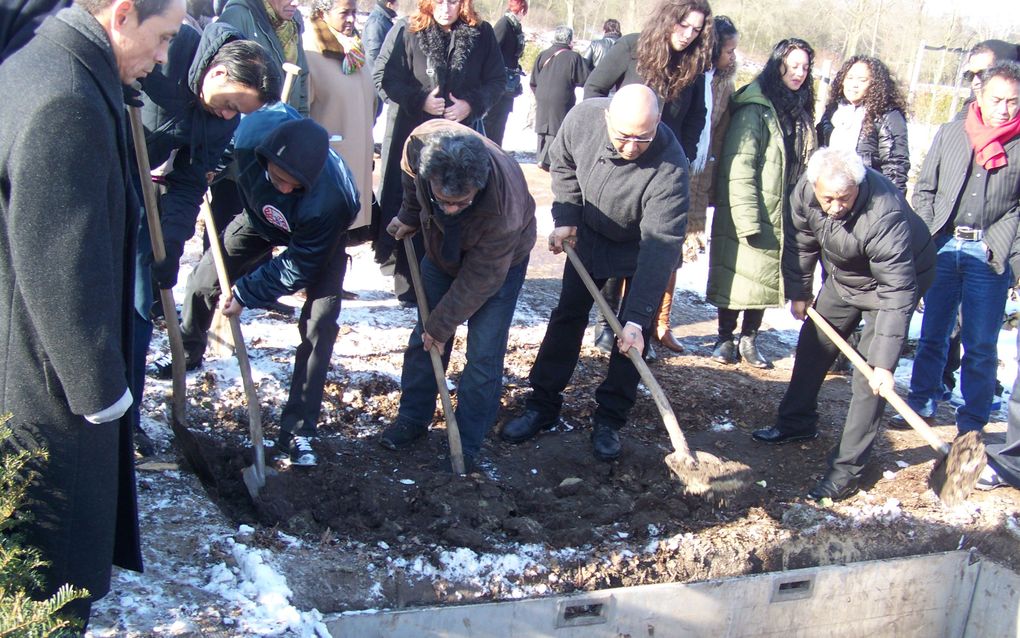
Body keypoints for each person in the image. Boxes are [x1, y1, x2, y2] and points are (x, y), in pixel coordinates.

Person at [0, 0, 186, 624]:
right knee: (53, 581)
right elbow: (61, 266)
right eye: (162, 38)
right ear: (122, 15)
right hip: (47, 396)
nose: (163, 58)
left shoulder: (41, 60)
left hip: (25, 360)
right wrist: (102, 394)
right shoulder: (66, 104)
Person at [500, 85, 688, 462]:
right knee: (568, 315)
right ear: (607, 119)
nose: (632, 146)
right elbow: (564, 163)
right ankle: (542, 404)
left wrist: (637, 318)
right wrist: (567, 218)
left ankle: (609, 419)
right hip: (590, 233)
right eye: (623, 136)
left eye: (643, 138)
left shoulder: (670, 166)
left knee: (632, 335)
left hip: (640, 245)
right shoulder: (583, 119)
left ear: (658, 125)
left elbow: (659, 246)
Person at [175, 106, 359, 466]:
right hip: (259, 220)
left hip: (320, 241)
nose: (287, 187)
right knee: (202, 280)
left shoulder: (332, 201)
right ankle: (187, 351)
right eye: (279, 177)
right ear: (265, 158)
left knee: (319, 326)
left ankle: (299, 430)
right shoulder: (251, 135)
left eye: (296, 185)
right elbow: (220, 145)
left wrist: (246, 293)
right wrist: (208, 168)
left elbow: (299, 266)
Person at [750, 148, 936, 501]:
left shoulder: (884, 215)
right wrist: (800, 291)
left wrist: (884, 363)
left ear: (858, 187)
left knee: (868, 380)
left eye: (844, 199)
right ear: (814, 187)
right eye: (828, 199)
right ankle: (796, 423)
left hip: (892, 287)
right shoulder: (805, 193)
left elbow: (897, 291)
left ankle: (848, 470)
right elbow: (802, 243)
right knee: (814, 345)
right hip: (845, 277)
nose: (835, 208)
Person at [137, 22, 278, 463]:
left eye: (241, 112)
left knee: (141, 304)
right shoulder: (166, 50)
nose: (229, 116)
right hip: (107, 174)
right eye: (231, 105)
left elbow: (190, 181)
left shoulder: (222, 119)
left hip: (153, 188)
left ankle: (126, 414)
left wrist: (172, 244)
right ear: (216, 75)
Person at [378, 120, 536, 466]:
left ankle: (466, 443)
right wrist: (411, 212)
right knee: (424, 338)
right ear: (430, 176)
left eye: (460, 203)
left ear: (477, 188)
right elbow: (408, 175)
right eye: (443, 200)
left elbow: (480, 278)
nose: (449, 209)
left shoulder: (502, 212)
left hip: (500, 264)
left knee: (483, 354)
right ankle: (412, 419)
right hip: (440, 251)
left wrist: (442, 324)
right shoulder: (419, 144)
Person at [583, 0, 711, 357]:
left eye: (696, 31)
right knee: (614, 242)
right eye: (683, 25)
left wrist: (681, 158)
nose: (687, 36)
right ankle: (606, 324)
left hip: (662, 172)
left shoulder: (693, 68)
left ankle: (638, 327)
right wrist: (604, 139)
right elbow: (593, 90)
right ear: (668, 19)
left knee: (653, 251)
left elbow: (696, 116)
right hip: (620, 162)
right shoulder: (630, 48)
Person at [899, 61, 1020, 436]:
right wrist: (927, 236)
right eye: (997, 99)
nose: (1004, 109)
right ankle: (922, 402)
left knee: (981, 343)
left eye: (1013, 102)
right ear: (980, 95)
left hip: (990, 251)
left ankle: (973, 419)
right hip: (945, 245)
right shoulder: (952, 133)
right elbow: (925, 189)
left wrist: (1009, 252)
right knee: (934, 332)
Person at [372, 0, 504, 307]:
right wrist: (419, 100)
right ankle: (407, 280)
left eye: (454, 1)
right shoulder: (407, 30)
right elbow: (385, 78)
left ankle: (449, 273)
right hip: (412, 131)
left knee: (454, 202)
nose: (446, 7)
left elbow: (496, 81)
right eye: (440, 0)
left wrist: (471, 104)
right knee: (412, 201)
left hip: (461, 136)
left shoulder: (481, 34)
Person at [706, 38, 818, 368]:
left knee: (764, 275)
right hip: (752, 203)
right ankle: (725, 337)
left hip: (783, 205)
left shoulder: (801, 109)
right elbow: (738, 163)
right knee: (736, 271)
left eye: (805, 67)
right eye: (793, 65)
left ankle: (750, 338)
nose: (799, 73)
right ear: (778, 64)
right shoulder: (756, 107)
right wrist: (747, 215)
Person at [212, 0, 309, 268]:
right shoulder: (240, 15)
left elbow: (301, 86)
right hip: (240, 145)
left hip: (275, 147)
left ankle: (256, 283)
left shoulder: (293, 24)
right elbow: (224, 83)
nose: (296, 2)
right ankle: (219, 284)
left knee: (263, 215)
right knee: (230, 217)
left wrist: (300, 128)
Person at [304, 0, 375, 236]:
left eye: (354, 12)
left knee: (344, 237)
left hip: (356, 160)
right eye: (344, 13)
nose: (352, 19)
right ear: (323, 12)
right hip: (329, 166)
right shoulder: (310, 52)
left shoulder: (355, 49)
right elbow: (300, 114)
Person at [684, 14, 737, 257]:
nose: (733, 57)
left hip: (702, 174)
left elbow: (718, 136)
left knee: (681, 253)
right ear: (713, 49)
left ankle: (666, 297)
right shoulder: (688, 75)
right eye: (729, 51)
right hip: (680, 164)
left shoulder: (726, 86)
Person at [818, 56, 909, 193]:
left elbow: (895, 167)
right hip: (831, 192)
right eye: (849, 78)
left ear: (875, 84)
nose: (854, 84)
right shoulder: (833, 110)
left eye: (862, 80)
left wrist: (891, 204)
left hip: (868, 194)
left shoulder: (887, 115)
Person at [531, 26, 589, 170]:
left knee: (543, 127)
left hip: (541, 95)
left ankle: (540, 157)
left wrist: (539, 94)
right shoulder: (574, 57)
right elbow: (584, 79)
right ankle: (546, 160)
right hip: (561, 97)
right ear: (569, 40)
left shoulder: (543, 54)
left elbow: (533, 80)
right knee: (556, 127)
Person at [481, 0, 527, 147]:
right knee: (493, 121)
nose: (524, 16)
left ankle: (495, 152)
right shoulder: (504, 24)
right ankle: (490, 153)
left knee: (500, 121)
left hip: (508, 84)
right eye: (524, 12)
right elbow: (491, 51)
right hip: (499, 83)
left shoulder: (514, 27)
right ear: (521, 10)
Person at [363, 0, 398, 123]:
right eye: (396, 3)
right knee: (370, 115)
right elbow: (374, 54)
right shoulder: (377, 22)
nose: (397, 6)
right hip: (375, 80)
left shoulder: (384, 20)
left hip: (379, 77)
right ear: (389, 4)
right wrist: (381, 78)